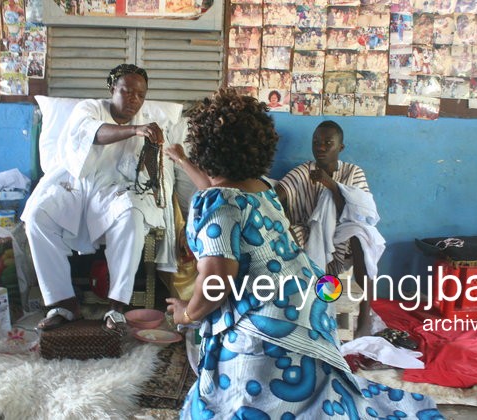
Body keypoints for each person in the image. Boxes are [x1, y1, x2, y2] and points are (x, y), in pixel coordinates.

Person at [165, 89, 442, 419]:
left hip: (268, 324)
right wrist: (182, 161)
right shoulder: (261, 191)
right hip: (307, 309)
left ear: (206, 149)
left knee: (226, 402)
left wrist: (186, 314)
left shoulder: (219, 204)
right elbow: (217, 190)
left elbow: (216, 282)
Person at [22, 64, 182, 331]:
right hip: (74, 180)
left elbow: (148, 172)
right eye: (127, 91)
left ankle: (117, 308)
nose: (134, 100)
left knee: (131, 218)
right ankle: (64, 304)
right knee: (38, 215)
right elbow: (93, 133)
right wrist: (135, 130)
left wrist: (155, 150)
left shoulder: (146, 121)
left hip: (113, 186)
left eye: (140, 95)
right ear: (112, 89)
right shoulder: (89, 108)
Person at [275, 121, 385, 338]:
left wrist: (331, 185)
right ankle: (315, 309)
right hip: (310, 234)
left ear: (340, 147)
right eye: (316, 142)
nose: (321, 148)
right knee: (291, 234)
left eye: (328, 143)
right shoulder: (304, 172)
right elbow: (278, 194)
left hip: (344, 236)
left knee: (360, 235)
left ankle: (365, 317)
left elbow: (359, 212)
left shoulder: (353, 172)